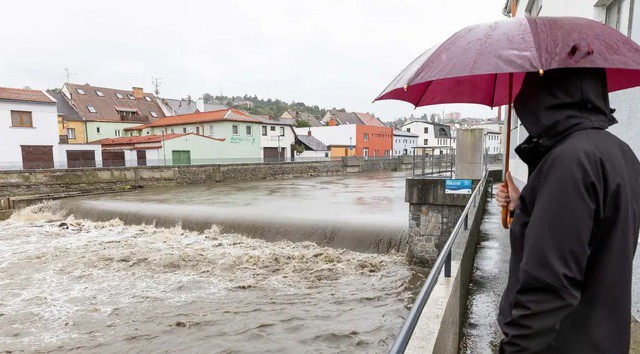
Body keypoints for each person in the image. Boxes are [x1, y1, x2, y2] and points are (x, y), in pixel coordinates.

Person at [495, 67, 640, 353]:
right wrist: (524, 205)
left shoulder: (570, 161)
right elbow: (590, 232)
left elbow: (548, 287)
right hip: (603, 335)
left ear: (545, 96)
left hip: (562, 341)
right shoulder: (621, 153)